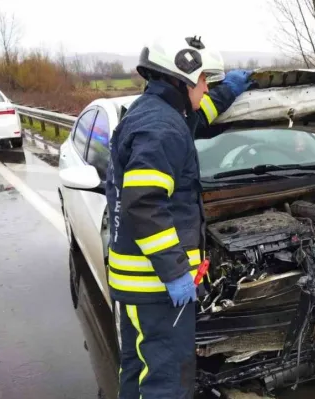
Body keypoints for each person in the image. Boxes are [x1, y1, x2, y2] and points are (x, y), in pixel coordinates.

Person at [106, 35, 252, 399]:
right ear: (183, 78)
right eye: (204, 80)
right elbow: (144, 204)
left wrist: (230, 90)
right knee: (166, 383)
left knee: (140, 369)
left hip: (142, 283)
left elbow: (198, 115)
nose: (206, 89)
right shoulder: (162, 127)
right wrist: (174, 273)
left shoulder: (162, 114)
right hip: (155, 285)